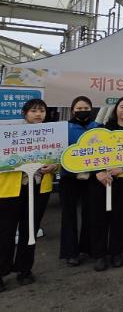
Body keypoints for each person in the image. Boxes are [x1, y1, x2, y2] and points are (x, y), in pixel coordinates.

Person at [0, 99, 56, 290]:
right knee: (5, 232)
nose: (38, 114)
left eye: (42, 110)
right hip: (10, 190)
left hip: (39, 188)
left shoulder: (52, 133)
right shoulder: (10, 133)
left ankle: (25, 270)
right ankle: (1, 271)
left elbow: (59, 157)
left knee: (30, 230)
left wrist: (54, 166)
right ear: (25, 113)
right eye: (33, 111)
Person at [88, 96, 123, 271]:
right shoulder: (103, 130)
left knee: (120, 217)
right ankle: (99, 255)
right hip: (102, 181)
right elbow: (90, 154)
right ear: (116, 109)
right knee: (99, 218)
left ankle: (116, 252)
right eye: (122, 106)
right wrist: (98, 173)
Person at [59, 96, 98, 267]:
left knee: (91, 213)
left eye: (86, 108)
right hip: (69, 178)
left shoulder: (99, 127)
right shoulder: (63, 128)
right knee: (69, 215)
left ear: (91, 109)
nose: (82, 111)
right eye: (79, 109)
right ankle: (71, 252)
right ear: (72, 110)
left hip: (92, 178)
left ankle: (87, 248)